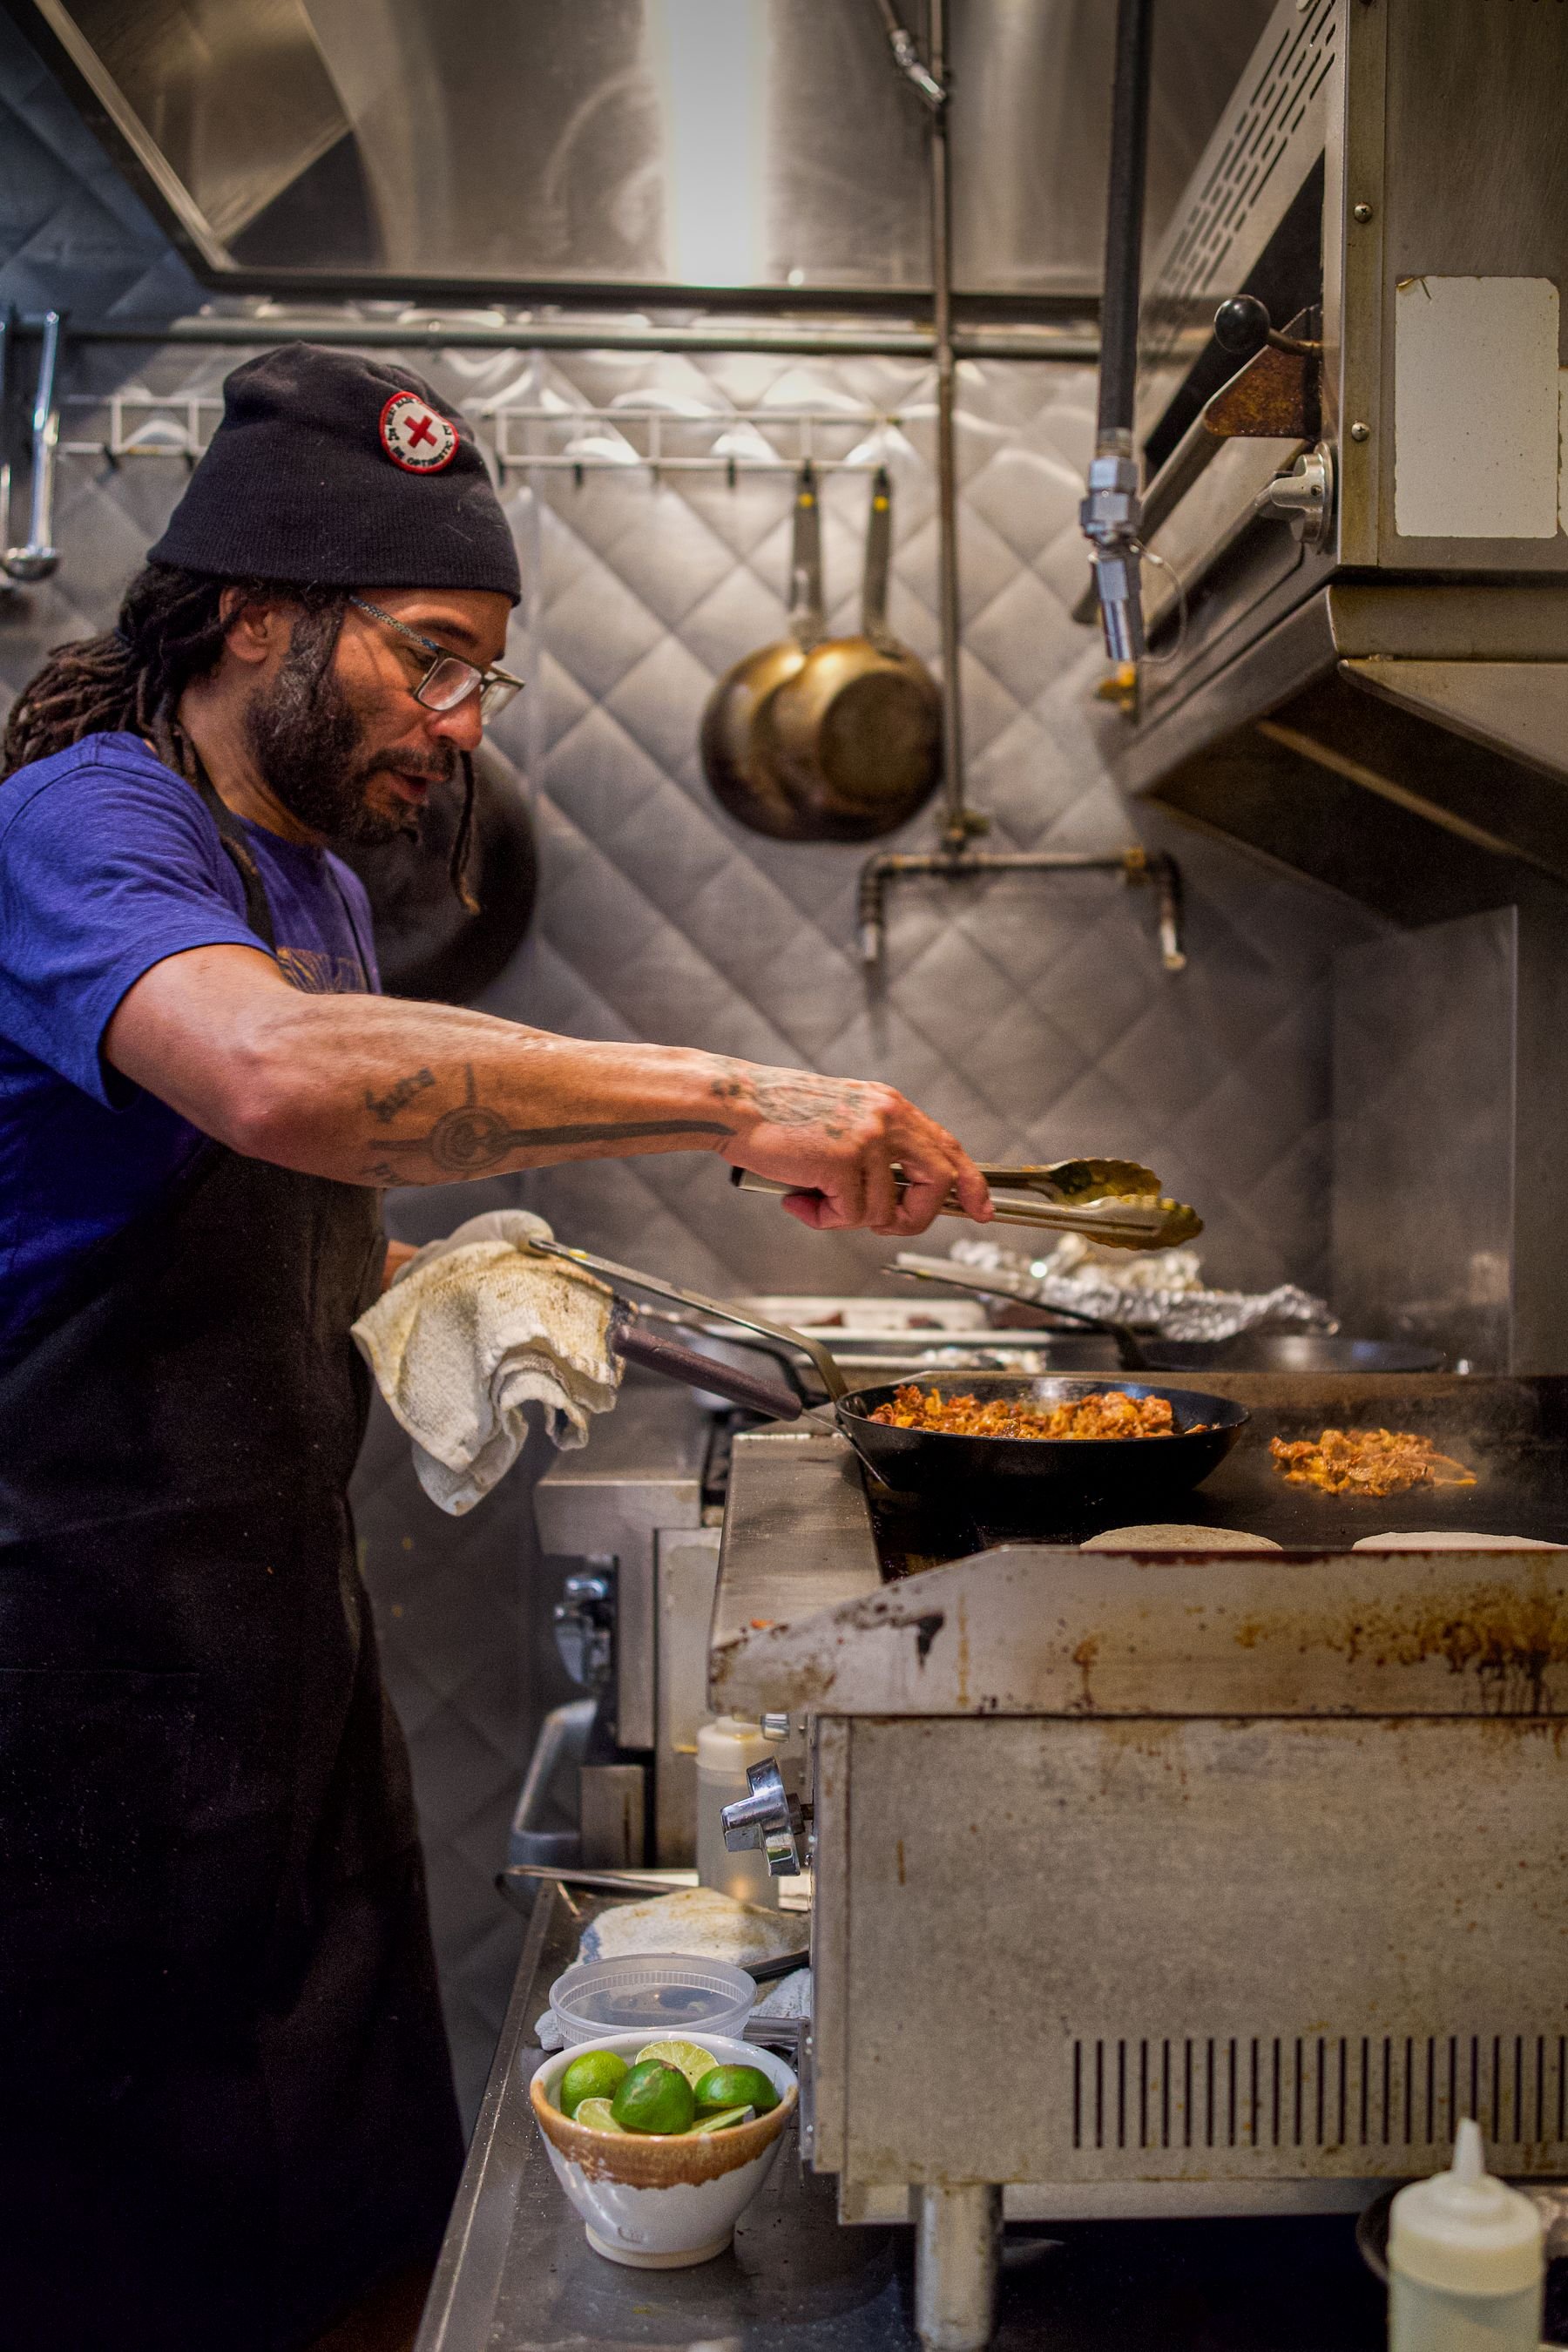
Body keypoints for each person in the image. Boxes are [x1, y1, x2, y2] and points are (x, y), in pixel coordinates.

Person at [0, 345, 990, 2352]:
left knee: (357, 2209)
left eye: (483, 678)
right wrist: (738, 1097)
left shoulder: (313, 880)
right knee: (116, 2266)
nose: (460, 727)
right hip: (64, 1707)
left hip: (277, 1675)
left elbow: (311, 1185)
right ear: (258, 613)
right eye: (430, 658)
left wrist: (494, 1278)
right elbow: (276, 1081)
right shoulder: (78, 820)